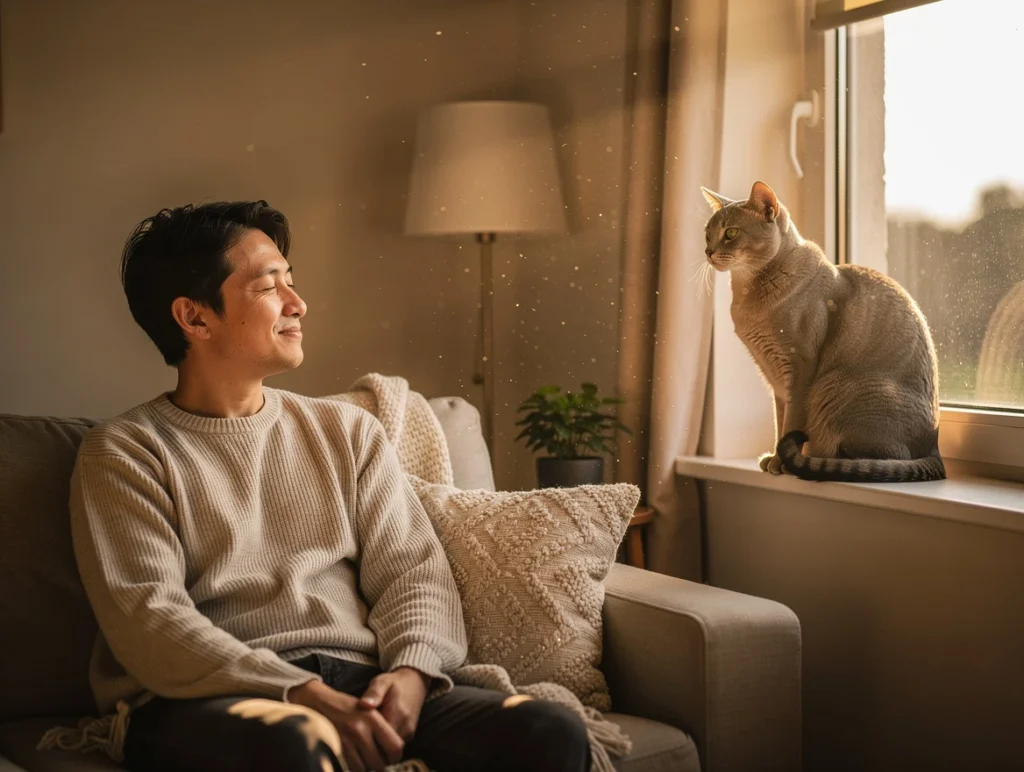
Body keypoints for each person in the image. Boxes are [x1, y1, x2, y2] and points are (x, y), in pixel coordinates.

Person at [67, 201, 591, 772]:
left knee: (547, 729)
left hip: (359, 683)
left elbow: (413, 570)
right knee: (296, 745)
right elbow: (150, 618)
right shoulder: (125, 451)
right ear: (195, 318)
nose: (298, 303)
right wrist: (301, 694)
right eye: (270, 287)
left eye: (291, 281)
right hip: (210, 702)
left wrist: (411, 674)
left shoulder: (347, 431)